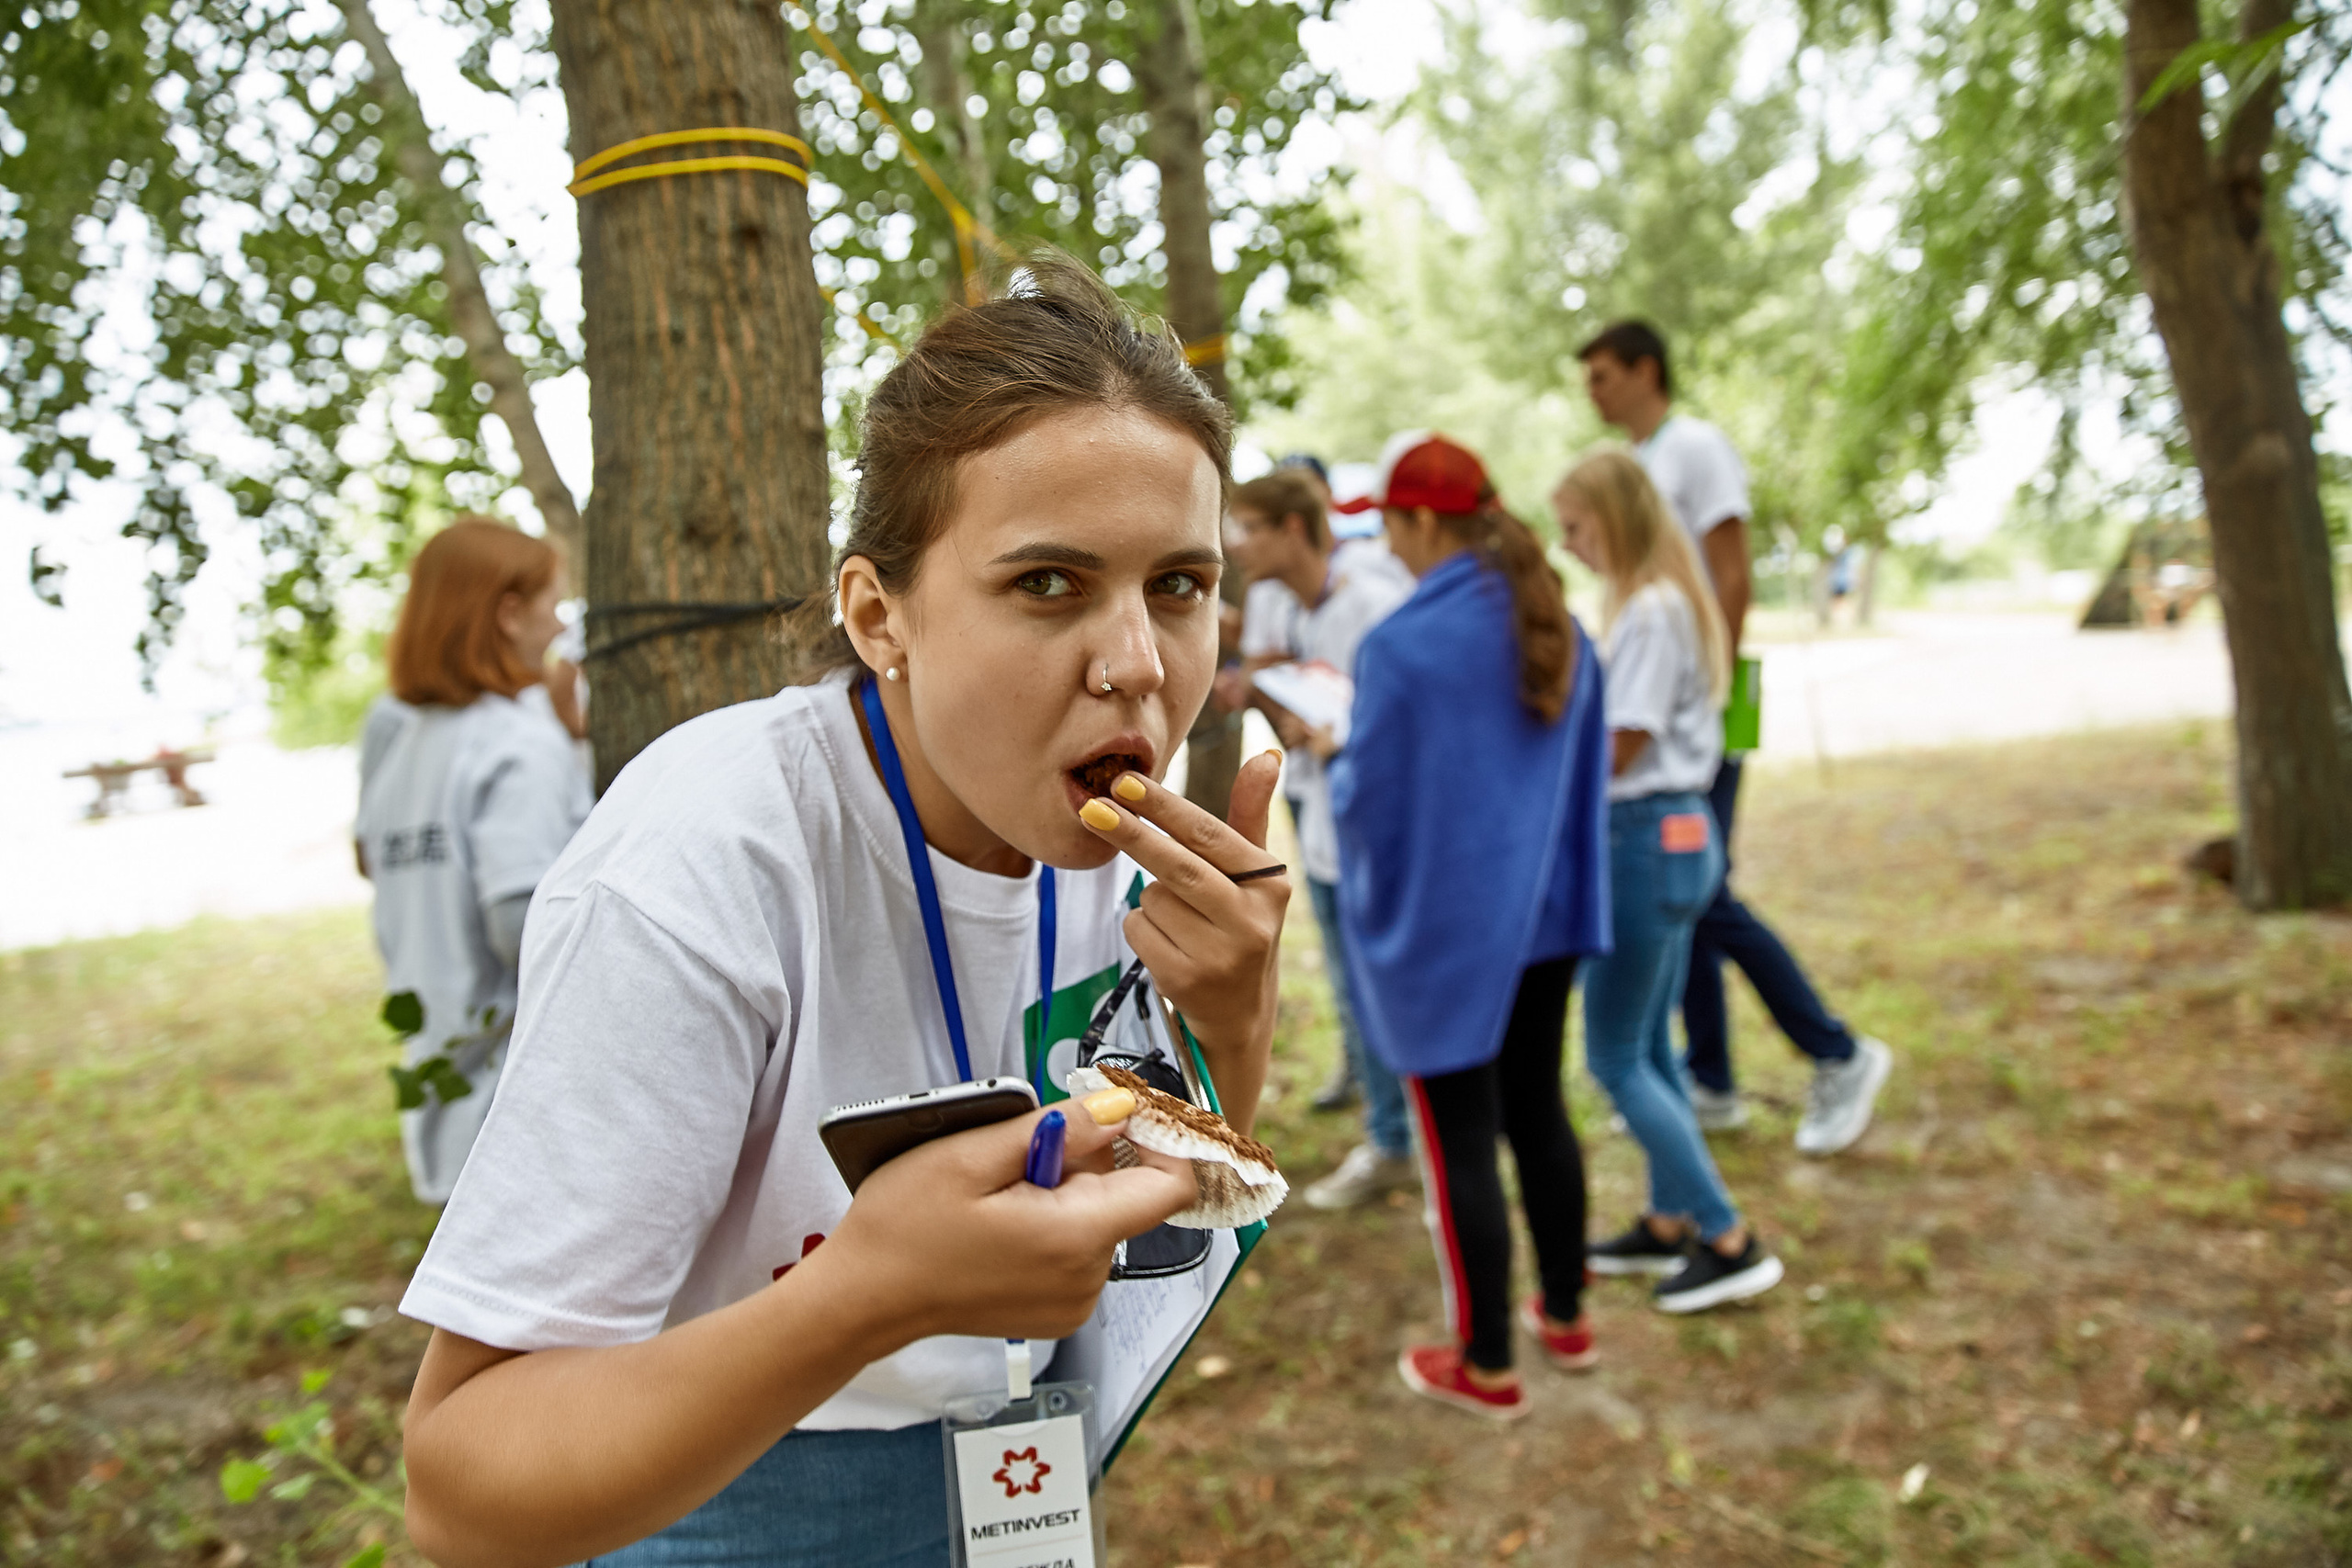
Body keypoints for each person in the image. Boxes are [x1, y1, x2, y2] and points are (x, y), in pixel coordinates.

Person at [395, 259, 1288, 1568]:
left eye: (1179, 585)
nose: (1138, 666)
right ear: (879, 616)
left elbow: (1165, 1224)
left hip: (1017, 1469)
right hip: (711, 1487)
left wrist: (1231, 1023)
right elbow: (460, 1488)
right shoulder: (704, 862)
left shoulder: (1105, 837)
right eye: (1048, 582)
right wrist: (861, 1295)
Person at [1331, 432, 1611, 1421]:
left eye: (1390, 526)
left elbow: (1367, 804)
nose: (1388, 547)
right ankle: (1566, 1317)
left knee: (1460, 1143)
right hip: (1550, 918)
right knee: (1538, 1112)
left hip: (1449, 931)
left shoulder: (1401, 646)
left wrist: (1329, 756)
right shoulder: (1561, 628)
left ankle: (1487, 1362)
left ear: (1420, 520)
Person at [1579, 321, 1894, 1155]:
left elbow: (1731, 570)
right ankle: (1710, 1075)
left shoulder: (1694, 448)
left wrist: (1707, 698)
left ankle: (1839, 1051)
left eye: (1603, 374)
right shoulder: (1640, 459)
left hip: (1700, 702)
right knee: (1682, 903)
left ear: (1647, 369)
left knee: (1698, 889)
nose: (1592, 391)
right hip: (1673, 699)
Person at [1554, 448, 1783, 1314]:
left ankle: (1727, 1236)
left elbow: (1621, 745)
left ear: (1614, 519)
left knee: (1613, 1056)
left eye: (1575, 527)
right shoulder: (1667, 604)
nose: (1568, 545)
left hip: (1640, 836)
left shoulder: (1650, 611)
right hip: (1679, 833)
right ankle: (1665, 1219)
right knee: (1649, 1044)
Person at [355, 517, 594, 1205]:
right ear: (509, 614)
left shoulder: (404, 745)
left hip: (444, 1096)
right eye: (552, 604)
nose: (559, 626)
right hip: (524, 1121)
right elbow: (523, 928)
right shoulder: (517, 746)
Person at [1222, 471, 1412, 1209]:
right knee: (1347, 975)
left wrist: (1339, 735)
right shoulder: (1290, 605)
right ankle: (1389, 1126)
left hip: (1371, 826)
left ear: (1294, 528)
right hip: (1323, 811)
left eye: (1251, 528)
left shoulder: (1372, 607)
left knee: (1375, 979)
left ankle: (1397, 1139)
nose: (1240, 546)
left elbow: (1404, 720)